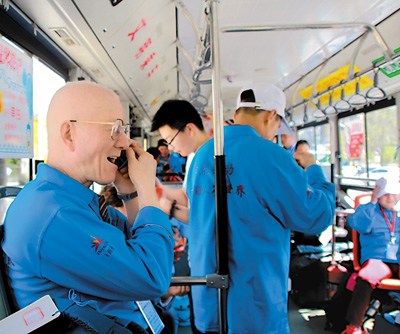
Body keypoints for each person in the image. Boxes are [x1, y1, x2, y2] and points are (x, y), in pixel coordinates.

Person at [2, 81, 175, 332]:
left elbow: (139, 249)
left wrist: (130, 192)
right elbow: (153, 276)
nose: (125, 142)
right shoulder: (53, 215)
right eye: (115, 129)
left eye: (124, 129)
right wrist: (147, 186)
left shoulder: (71, 199)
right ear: (69, 134)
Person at [186, 82, 336, 333]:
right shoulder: (271, 155)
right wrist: (313, 169)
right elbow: (315, 215)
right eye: (278, 125)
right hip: (254, 301)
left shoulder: (202, 155)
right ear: (270, 116)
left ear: (237, 114)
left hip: (207, 298)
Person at [343, 177, 400, 334]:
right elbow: (358, 224)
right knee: (367, 276)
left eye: (394, 194)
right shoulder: (369, 210)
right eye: (386, 193)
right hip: (378, 258)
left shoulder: (398, 214)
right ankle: (354, 326)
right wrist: (373, 200)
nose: (390, 197)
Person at [150, 99, 210, 223]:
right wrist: (159, 188)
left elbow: (209, 219)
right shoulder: (193, 156)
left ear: (189, 129)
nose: (170, 147)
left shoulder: (214, 158)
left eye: (170, 140)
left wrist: (172, 209)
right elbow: (186, 197)